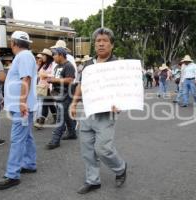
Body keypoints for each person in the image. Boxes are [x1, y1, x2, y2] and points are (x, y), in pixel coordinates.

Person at [70, 27, 127, 194]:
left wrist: (120, 103)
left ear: (112, 45)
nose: (101, 44)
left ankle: (120, 168)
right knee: (87, 149)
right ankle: (93, 180)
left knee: (102, 148)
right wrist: (74, 103)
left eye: (105, 41)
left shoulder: (117, 65)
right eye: (98, 41)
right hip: (87, 112)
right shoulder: (88, 64)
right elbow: (81, 85)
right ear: (94, 45)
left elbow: (124, 88)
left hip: (106, 114)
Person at [0, 31, 37, 190]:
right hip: (22, 105)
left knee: (17, 138)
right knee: (26, 137)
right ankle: (30, 163)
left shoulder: (24, 56)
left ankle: (12, 175)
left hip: (22, 107)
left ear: (14, 43)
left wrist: (21, 103)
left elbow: (26, 79)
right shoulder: (25, 55)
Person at [45, 47, 77, 149]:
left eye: (54, 54)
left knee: (60, 118)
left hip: (66, 95)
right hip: (58, 95)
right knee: (66, 116)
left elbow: (70, 80)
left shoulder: (69, 66)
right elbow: (57, 79)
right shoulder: (57, 66)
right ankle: (72, 133)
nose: (53, 56)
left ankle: (55, 140)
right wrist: (52, 82)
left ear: (60, 55)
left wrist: (54, 80)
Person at [34, 48, 57, 129]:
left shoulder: (52, 65)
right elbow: (40, 75)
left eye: (43, 55)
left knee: (45, 104)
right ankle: (56, 117)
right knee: (50, 104)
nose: (42, 57)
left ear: (48, 56)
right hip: (42, 87)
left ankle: (41, 122)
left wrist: (45, 75)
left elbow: (54, 75)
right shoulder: (43, 65)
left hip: (48, 87)